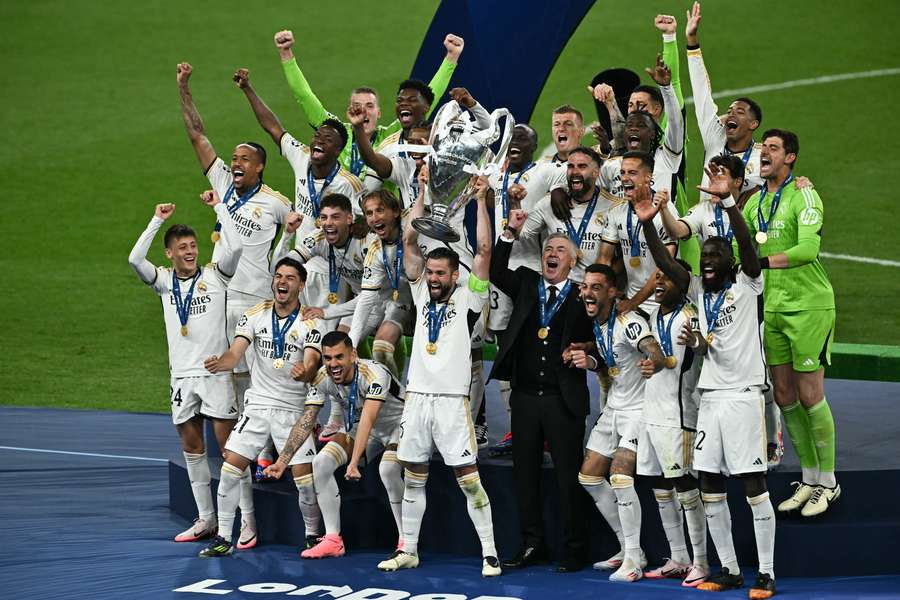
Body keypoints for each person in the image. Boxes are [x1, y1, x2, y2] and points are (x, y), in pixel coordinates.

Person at [638, 163, 777, 598]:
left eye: (717, 257)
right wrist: (647, 226)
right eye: (707, 257)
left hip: (744, 396)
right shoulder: (698, 290)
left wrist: (730, 202)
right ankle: (731, 570)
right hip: (710, 400)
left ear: (732, 263)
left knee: (753, 485)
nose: (710, 262)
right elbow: (667, 263)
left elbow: (750, 251)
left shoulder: (748, 284)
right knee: (709, 482)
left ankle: (767, 573)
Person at [178, 61, 293, 538]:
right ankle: (225, 511)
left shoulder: (277, 202)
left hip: (252, 303)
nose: (236, 163)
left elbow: (302, 236)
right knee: (225, 394)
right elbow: (197, 135)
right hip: (215, 304)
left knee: (257, 382)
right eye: (234, 159)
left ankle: (268, 454)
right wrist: (184, 87)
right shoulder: (223, 185)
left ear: (260, 166)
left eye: (244, 159)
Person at [375, 175, 500, 576]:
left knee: (468, 479)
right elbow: (411, 243)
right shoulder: (418, 293)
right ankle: (408, 549)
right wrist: (422, 194)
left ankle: (490, 552)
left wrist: (481, 201)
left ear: (454, 275)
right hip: (417, 400)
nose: (433, 278)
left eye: (441, 274)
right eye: (430, 273)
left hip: (450, 403)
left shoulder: (469, 298)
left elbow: (483, 250)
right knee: (414, 477)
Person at [128, 192, 242, 543]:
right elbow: (134, 259)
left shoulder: (216, 275)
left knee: (231, 451)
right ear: (170, 253)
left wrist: (219, 208)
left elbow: (235, 248)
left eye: (193, 245)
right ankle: (206, 519)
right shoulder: (163, 281)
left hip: (215, 374)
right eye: (182, 247)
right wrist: (156, 220)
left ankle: (245, 520)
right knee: (192, 450)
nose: (190, 251)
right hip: (181, 377)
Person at [490, 218, 597, 573]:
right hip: (524, 398)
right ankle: (532, 543)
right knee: (525, 475)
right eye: (548, 249)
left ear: (574, 260)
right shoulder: (527, 283)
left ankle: (575, 548)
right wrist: (509, 233)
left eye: (560, 250)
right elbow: (495, 270)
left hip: (562, 400)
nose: (552, 254)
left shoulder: (585, 294)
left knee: (569, 477)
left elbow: (602, 334)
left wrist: (589, 353)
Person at [198, 257, 325, 557]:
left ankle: (311, 535)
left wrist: (305, 372)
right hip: (257, 405)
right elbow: (234, 353)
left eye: (290, 278)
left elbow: (311, 363)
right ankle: (224, 538)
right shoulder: (254, 314)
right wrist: (221, 363)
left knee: (305, 480)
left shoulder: (311, 320)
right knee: (230, 468)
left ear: (301, 284)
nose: (282, 282)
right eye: (278, 276)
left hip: (292, 409)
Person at [742, 129, 838, 517]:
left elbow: (808, 248)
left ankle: (829, 482)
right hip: (774, 308)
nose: (765, 152)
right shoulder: (754, 204)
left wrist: (761, 262)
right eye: (763, 147)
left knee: (811, 395)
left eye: (773, 148)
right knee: (784, 396)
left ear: (791, 158)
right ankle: (810, 477)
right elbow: (740, 243)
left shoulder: (804, 194)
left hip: (810, 307)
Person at [263, 331, 405, 559]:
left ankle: (405, 539)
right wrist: (282, 461)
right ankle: (332, 540)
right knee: (321, 462)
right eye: (327, 358)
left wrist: (354, 463)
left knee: (387, 470)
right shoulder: (322, 378)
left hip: (398, 425)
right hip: (360, 426)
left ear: (353, 355)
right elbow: (306, 420)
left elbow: (369, 417)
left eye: (339, 357)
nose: (333, 364)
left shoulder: (374, 373)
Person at [576, 263, 665, 583]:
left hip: (638, 412)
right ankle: (629, 548)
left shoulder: (627, 321)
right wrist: (592, 362)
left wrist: (653, 362)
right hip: (614, 409)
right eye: (585, 287)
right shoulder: (599, 323)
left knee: (619, 476)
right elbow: (612, 360)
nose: (587, 293)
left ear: (612, 293)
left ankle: (632, 559)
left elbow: (651, 348)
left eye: (596, 287)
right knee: (589, 476)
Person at [274, 29, 463, 178]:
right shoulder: (338, 133)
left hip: (381, 220)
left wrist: (451, 58)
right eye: (357, 105)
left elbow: (425, 102)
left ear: (379, 114)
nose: (363, 111)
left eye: (369, 106)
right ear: (349, 111)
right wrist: (286, 53)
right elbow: (305, 96)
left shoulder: (391, 135)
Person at [485, 124, 568, 457]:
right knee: (505, 349)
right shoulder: (494, 174)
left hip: (530, 273)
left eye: (523, 139)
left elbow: (565, 188)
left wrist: (557, 193)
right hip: (500, 271)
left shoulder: (547, 172)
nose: (516, 144)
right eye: (512, 139)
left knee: (536, 350)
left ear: (534, 147)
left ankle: (547, 427)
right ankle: (515, 429)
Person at [637, 265, 709, 587]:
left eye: (666, 278)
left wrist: (691, 346)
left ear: (683, 284)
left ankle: (702, 562)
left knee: (685, 487)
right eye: (657, 277)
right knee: (660, 487)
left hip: (678, 415)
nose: (659, 282)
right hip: (651, 412)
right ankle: (678, 556)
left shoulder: (689, 318)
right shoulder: (655, 315)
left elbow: (693, 356)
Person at [233, 68, 364, 241]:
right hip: (302, 259)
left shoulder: (348, 184)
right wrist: (247, 88)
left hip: (334, 261)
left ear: (338, 151)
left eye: (327, 140)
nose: (319, 141)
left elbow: (363, 224)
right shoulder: (302, 156)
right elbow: (272, 127)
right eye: (317, 136)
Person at [685, 2, 764, 205]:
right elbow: (701, 93)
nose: (731, 114)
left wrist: (802, 183)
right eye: (729, 111)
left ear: (753, 124)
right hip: (707, 232)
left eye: (740, 111)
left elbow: (782, 182)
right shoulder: (715, 139)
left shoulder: (763, 155)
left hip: (744, 234)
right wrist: (692, 42)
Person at [272, 193, 370, 334]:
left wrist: (326, 313)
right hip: (359, 299)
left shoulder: (364, 243)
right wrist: (287, 234)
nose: (328, 223)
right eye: (324, 217)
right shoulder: (319, 238)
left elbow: (371, 295)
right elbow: (279, 268)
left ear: (349, 219)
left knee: (378, 346)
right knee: (339, 341)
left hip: (381, 298)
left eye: (335, 217)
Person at [518, 146, 616, 282]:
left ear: (596, 172)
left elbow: (622, 257)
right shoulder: (548, 203)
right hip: (559, 289)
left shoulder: (612, 207)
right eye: (570, 166)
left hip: (594, 289)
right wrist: (514, 204)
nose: (575, 171)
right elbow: (522, 234)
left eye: (582, 166)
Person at [596, 151, 678, 312]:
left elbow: (664, 267)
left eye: (632, 173)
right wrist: (597, 287)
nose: (625, 178)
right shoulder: (616, 212)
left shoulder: (664, 211)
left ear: (648, 177)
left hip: (662, 303)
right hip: (631, 300)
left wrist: (634, 302)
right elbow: (604, 259)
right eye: (622, 172)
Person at [347, 189, 415, 379]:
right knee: (381, 348)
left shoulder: (413, 225)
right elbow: (367, 298)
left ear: (395, 212)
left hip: (432, 299)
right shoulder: (375, 250)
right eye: (369, 213)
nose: (374, 218)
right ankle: (395, 396)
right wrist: (351, 344)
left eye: (380, 210)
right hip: (402, 299)